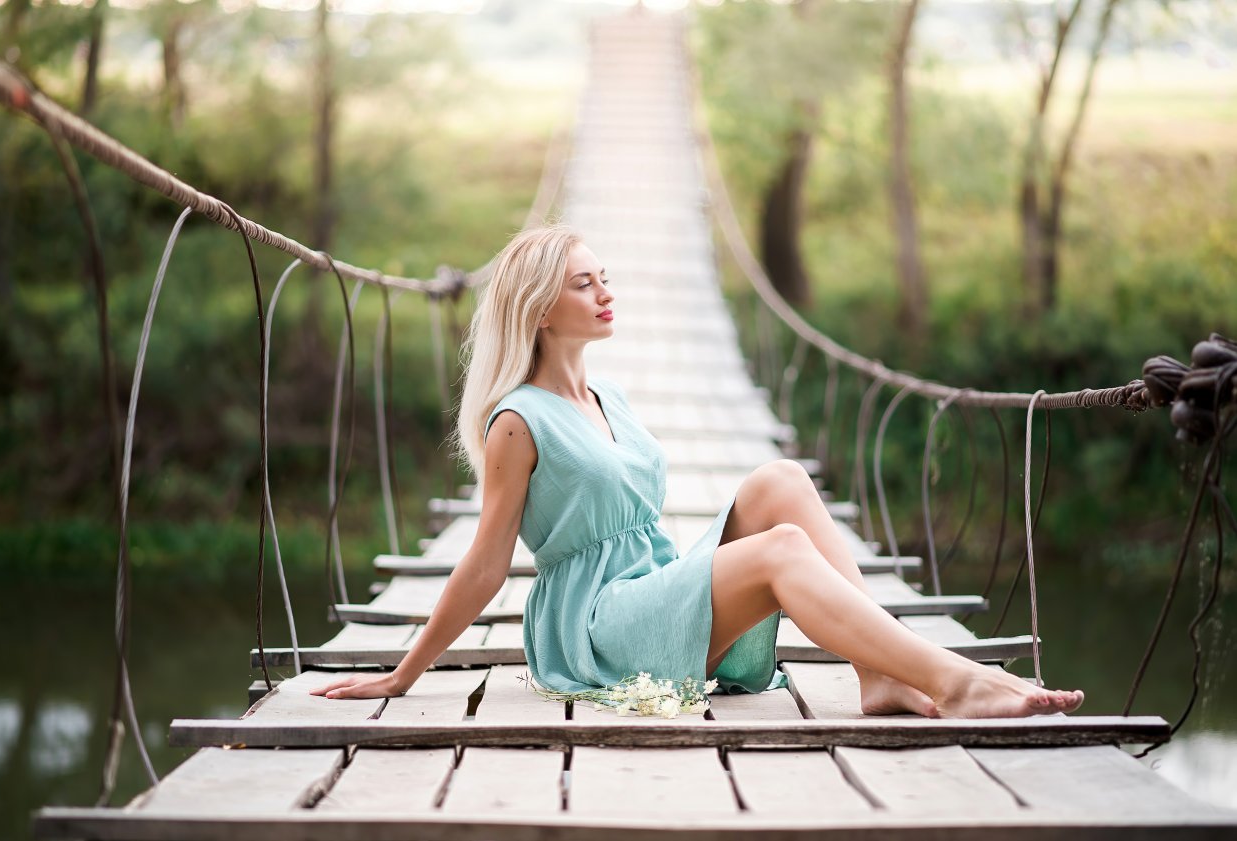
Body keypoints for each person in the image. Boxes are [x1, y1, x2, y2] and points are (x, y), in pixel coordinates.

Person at [312, 225, 1084, 718]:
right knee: (780, 549)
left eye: (604, 274)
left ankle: (878, 675)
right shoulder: (517, 420)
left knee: (779, 481)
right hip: (598, 628)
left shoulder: (602, 392)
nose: (606, 291)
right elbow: (485, 563)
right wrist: (401, 676)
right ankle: (955, 681)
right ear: (540, 309)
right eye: (584, 283)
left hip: (651, 586)